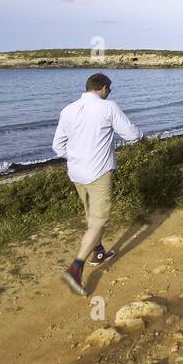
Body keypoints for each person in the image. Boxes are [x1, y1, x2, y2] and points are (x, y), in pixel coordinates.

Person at [52, 72, 142, 295]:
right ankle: (75, 268)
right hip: (98, 172)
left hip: (76, 172)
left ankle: (99, 251)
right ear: (102, 88)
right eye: (109, 89)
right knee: (98, 221)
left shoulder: (68, 110)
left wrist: (75, 156)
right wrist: (142, 136)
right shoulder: (108, 107)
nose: (109, 93)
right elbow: (131, 135)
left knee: (90, 214)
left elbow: (58, 146)